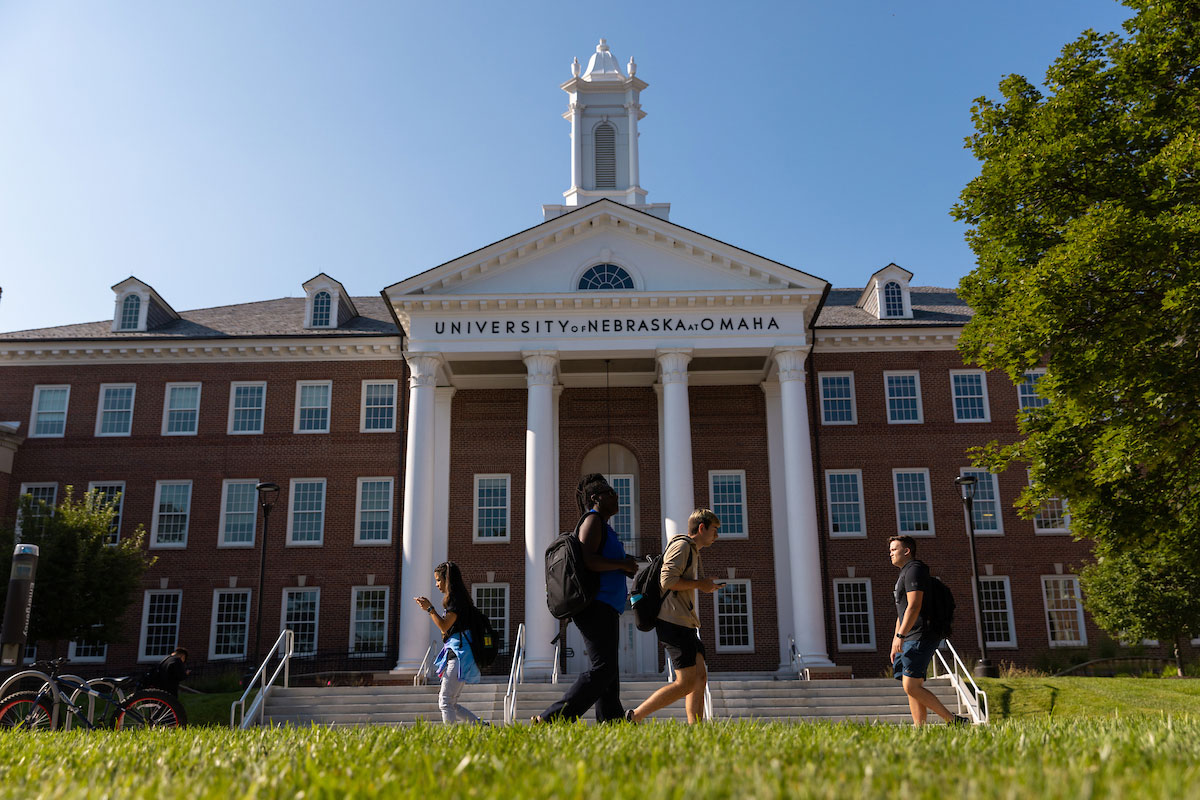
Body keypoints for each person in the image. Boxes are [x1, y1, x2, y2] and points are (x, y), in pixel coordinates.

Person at [533, 473, 640, 724]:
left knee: (609, 672)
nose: (616, 497)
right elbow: (589, 561)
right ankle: (553, 718)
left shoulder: (605, 526)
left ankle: (611, 722)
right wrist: (622, 564)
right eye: (610, 493)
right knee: (602, 669)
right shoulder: (592, 521)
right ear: (595, 498)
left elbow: (602, 561)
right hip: (595, 605)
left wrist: (623, 566)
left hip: (607, 607)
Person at [626, 508, 722, 724]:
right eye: (714, 530)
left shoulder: (693, 550)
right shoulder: (681, 546)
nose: (717, 536)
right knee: (686, 682)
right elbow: (667, 581)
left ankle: (696, 731)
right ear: (701, 528)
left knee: (700, 678)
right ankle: (635, 716)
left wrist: (703, 586)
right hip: (672, 622)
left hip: (685, 622)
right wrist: (700, 585)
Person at [888, 535, 969, 726]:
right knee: (912, 686)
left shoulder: (915, 570)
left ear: (906, 551)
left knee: (911, 685)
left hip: (921, 634)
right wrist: (895, 638)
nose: (890, 553)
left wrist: (901, 635)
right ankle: (920, 729)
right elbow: (902, 611)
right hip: (909, 635)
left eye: (894, 549)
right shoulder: (904, 573)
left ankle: (954, 721)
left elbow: (914, 606)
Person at [414, 560, 484, 724]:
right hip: (460, 654)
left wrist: (430, 609)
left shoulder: (456, 600)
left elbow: (444, 626)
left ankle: (450, 738)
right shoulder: (457, 600)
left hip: (460, 655)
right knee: (450, 702)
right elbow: (447, 629)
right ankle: (481, 726)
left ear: (448, 579)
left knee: (445, 701)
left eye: (439, 580)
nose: (437, 584)